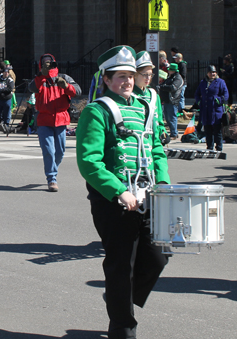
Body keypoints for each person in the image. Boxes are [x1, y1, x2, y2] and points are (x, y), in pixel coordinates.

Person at [76, 45, 170, 339]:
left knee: (158, 256)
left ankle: (119, 299)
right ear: (106, 79)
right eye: (120, 77)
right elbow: (89, 161)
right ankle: (122, 327)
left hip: (147, 194)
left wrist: (164, 184)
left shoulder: (144, 107)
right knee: (120, 266)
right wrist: (119, 192)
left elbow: (156, 149)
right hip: (114, 201)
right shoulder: (96, 111)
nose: (127, 81)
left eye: (130, 76)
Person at [28, 53, 81, 192]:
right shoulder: (39, 79)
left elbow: (78, 91)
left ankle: (52, 169)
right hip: (44, 120)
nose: (47, 65)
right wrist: (42, 75)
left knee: (60, 152)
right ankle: (52, 178)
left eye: (49, 62)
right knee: (49, 151)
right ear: (41, 64)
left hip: (61, 120)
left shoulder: (64, 77)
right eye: (44, 63)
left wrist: (66, 86)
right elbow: (32, 88)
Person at [133, 51, 168, 143]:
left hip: (153, 143)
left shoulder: (154, 95)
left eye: (150, 74)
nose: (148, 78)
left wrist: (163, 133)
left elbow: (159, 122)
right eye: (144, 74)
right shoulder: (129, 96)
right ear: (135, 74)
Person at [195, 65, 229, 151]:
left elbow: (225, 94)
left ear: (216, 73)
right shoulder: (203, 82)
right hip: (206, 110)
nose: (212, 74)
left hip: (216, 110)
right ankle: (209, 147)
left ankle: (219, 148)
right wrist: (199, 101)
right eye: (210, 72)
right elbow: (197, 94)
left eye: (213, 72)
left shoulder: (220, 82)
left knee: (217, 130)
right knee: (208, 130)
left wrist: (219, 100)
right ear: (207, 73)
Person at [158, 63, 183, 140]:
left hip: (172, 100)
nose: (169, 72)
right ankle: (173, 132)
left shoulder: (178, 78)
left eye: (170, 70)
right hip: (167, 100)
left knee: (172, 117)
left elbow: (173, 88)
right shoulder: (171, 77)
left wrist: (162, 87)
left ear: (173, 71)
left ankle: (174, 133)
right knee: (168, 118)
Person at [0, 68, 15, 132]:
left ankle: (6, 126)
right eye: (5, 72)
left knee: (7, 113)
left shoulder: (10, 80)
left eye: (7, 72)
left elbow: (9, 89)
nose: (6, 73)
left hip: (7, 99)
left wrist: (2, 91)